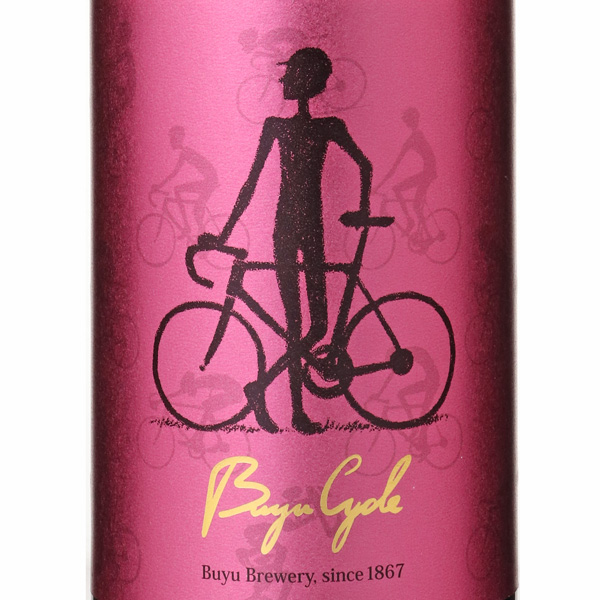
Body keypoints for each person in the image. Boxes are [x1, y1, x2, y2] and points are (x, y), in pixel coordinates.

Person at [219, 47, 373, 434]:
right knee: (301, 325)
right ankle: (296, 413)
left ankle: (261, 388)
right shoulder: (284, 126)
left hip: (297, 227)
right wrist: (361, 210)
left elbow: (365, 164)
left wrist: (362, 210)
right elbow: (364, 166)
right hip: (295, 228)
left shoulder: (322, 127)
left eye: (289, 75)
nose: (283, 81)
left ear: (305, 80)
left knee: (313, 326)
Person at [152, 126, 219, 237]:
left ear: (178, 139)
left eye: (172, 139)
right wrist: (159, 186)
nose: (171, 142)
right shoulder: (185, 152)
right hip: (210, 180)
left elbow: (174, 173)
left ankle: (190, 229)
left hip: (210, 181)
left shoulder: (186, 152)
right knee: (195, 210)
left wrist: (159, 186)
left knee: (193, 207)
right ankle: (193, 230)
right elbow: (174, 173)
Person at [377, 108, 436, 232]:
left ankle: (417, 226)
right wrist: (379, 185)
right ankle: (416, 226)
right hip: (428, 171)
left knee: (414, 204)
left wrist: (378, 186)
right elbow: (395, 166)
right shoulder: (413, 138)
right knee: (404, 195)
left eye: (408, 120)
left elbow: (395, 167)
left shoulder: (415, 137)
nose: (408, 123)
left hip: (429, 172)